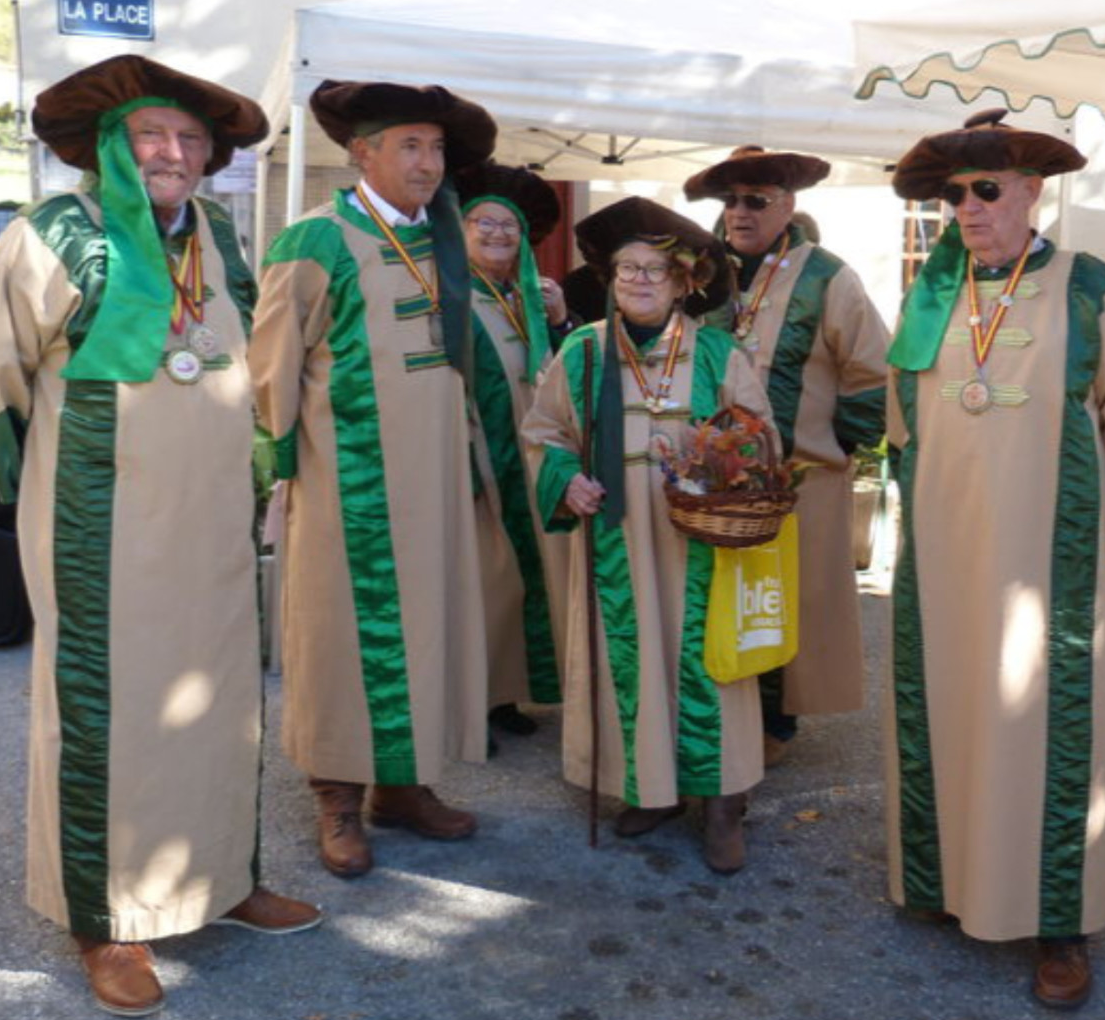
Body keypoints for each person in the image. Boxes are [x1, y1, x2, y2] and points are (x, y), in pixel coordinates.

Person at [0, 54, 322, 1019]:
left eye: (192, 141)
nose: (175, 153)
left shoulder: (220, 237)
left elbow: (239, 363)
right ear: (115, 145)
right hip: (100, 525)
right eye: (154, 136)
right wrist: (49, 482)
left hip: (211, 527)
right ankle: (102, 918)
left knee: (219, 694)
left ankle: (219, 884)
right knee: (106, 708)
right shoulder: (57, 235)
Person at [883, 109, 1105, 1009]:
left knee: (1048, 724)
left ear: (1033, 192)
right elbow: (901, 416)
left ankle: (1059, 924)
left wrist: (1058, 504)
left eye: (986, 189)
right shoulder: (930, 293)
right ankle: (944, 881)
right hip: (944, 558)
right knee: (953, 707)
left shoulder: (1089, 288)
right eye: (955, 194)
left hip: (1049, 559)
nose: (968, 207)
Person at [250, 80, 495, 880]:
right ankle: (336, 796)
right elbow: (271, 371)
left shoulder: (446, 239)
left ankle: (403, 783)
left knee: (426, 626)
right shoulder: (313, 242)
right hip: (342, 485)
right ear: (362, 154)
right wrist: (273, 473)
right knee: (339, 640)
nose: (429, 164)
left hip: (432, 483)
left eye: (436, 148)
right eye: (410, 146)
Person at [522, 196, 776, 874]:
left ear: (684, 284)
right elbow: (544, 436)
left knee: (707, 664)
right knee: (633, 660)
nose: (637, 280)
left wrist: (724, 460)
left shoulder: (719, 352)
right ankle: (652, 789)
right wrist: (567, 479)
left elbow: (759, 437)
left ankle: (723, 800)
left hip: (699, 542)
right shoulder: (581, 351)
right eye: (626, 268)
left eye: (654, 271)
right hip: (618, 538)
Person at [684, 146, 889, 766]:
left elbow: (872, 371)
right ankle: (718, 707)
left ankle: (777, 722)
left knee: (785, 598)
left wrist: (836, 449)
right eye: (730, 201)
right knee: (720, 593)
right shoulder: (701, 273)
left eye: (756, 201)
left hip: (802, 479)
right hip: (714, 478)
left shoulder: (828, 276)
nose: (739, 214)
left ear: (789, 205)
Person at [456, 162, 571, 739]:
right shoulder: (447, 295)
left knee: (521, 579)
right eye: (485, 223)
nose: (499, 234)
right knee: (483, 579)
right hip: (476, 457)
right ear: (460, 227)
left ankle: (506, 695)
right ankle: (471, 699)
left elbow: (557, 376)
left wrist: (560, 321)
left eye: (511, 226)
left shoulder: (525, 297)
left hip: (529, 462)